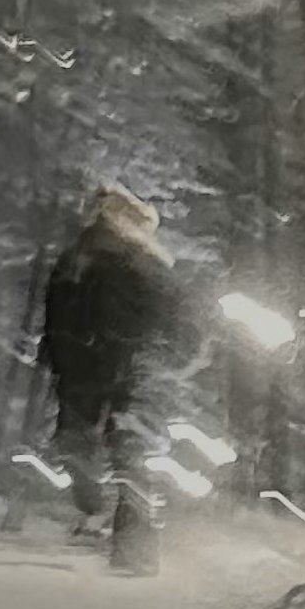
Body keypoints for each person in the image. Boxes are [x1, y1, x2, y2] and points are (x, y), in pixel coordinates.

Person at [38, 183, 186, 524]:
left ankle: (97, 508)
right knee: (128, 446)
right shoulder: (145, 264)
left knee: (82, 438)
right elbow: (175, 316)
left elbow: (56, 310)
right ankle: (129, 528)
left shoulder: (77, 260)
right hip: (127, 366)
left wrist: (58, 352)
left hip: (85, 365)